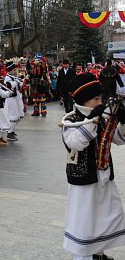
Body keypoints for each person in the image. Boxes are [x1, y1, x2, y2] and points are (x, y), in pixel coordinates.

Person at [62, 73, 125, 260]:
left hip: (104, 176)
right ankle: (83, 257)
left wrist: (123, 122)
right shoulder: (72, 120)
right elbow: (76, 142)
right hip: (84, 181)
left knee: (106, 216)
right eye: (96, 99)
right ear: (83, 100)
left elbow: (119, 139)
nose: (100, 102)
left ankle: (98, 253)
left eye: (101, 98)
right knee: (85, 222)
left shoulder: (101, 116)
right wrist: (94, 120)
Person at [4, 61, 23, 141]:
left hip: (17, 98)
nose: (16, 71)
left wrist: (23, 82)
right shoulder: (7, 78)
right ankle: (9, 132)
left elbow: (19, 86)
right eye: (14, 70)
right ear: (10, 70)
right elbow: (8, 86)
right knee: (13, 115)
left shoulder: (14, 77)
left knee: (19, 115)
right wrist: (16, 82)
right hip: (11, 99)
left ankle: (11, 130)